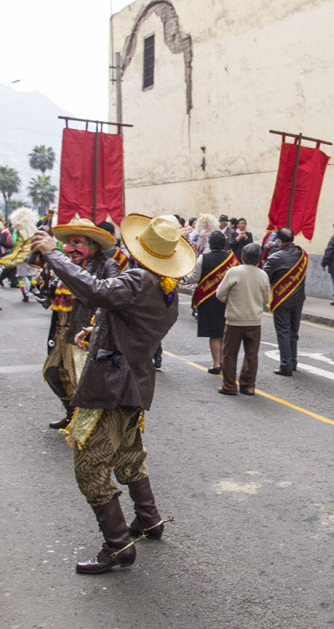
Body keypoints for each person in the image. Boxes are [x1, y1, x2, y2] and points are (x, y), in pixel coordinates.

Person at [30, 213, 196, 574]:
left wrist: (53, 254)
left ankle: (119, 545)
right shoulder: (166, 287)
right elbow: (129, 322)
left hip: (113, 385)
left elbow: (96, 292)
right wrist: (96, 330)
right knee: (128, 454)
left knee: (89, 467)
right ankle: (149, 519)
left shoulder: (140, 279)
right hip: (133, 379)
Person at [42, 219, 119, 430]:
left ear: (93, 245)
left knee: (80, 380)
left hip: (85, 331)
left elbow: (109, 297)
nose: (70, 248)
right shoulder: (65, 265)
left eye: (78, 242)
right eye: (69, 243)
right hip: (62, 331)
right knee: (52, 372)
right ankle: (71, 412)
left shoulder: (107, 265)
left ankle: (88, 424)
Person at [216, 242, 270, 393]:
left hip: (234, 320)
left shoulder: (234, 272)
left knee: (229, 354)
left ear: (243, 256)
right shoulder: (263, 275)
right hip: (254, 320)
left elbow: (220, 294)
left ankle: (229, 385)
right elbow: (266, 299)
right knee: (251, 355)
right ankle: (248, 386)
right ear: (259, 258)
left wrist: (232, 300)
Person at [185, 230, 238, 375]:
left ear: (210, 243)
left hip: (208, 299)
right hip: (228, 299)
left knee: (214, 333)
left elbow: (194, 278)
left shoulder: (203, 258)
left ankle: (216, 363)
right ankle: (224, 363)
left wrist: (183, 276)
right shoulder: (231, 259)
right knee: (224, 332)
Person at [265, 228, 308, 376]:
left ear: (279, 241)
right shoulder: (301, 254)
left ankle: (285, 365)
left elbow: (265, 276)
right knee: (293, 332)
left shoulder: (276, 257)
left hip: (282, 299)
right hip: (298, 298)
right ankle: (293, 362)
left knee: (283, 332)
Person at [0, 207, 38, 302]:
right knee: (30, 275)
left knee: (21, 276)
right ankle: (37, 290)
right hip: (32, 255)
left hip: (22, 257)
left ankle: (25, 294)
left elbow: (15, 244)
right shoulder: (34, 231)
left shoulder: (18, 232)